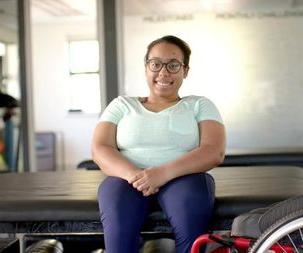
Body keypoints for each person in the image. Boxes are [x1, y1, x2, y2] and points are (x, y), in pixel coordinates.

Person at [92, 35, 226, 253]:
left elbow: (213, 151)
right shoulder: (121, 105)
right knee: (118, 237)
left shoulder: (199, 105)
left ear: (185, 71)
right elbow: (100, 148)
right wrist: (137, 176)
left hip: (184, 178)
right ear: (146, 67)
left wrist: (162, 173)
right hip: (127, 179)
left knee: (191, 237)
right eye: (156, 64)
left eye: (173, 65)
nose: (163, 72)